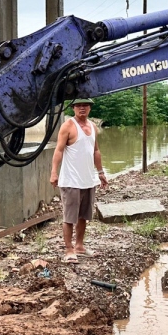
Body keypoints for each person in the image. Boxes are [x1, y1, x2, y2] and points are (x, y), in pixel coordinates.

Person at [50, 98, 107, 261]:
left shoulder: (93, 126)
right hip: (71, 180)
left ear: (90, 108)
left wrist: (101, 172)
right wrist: (54, 172)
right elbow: (59, 150)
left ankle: (79, 246)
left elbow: (95, 151)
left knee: (83, 216)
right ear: (73, 108)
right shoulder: (68, 126)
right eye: (78, 105)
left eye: (85, 105)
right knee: (69, 217)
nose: (82, 108)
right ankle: (69, 250)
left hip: (88, 179)